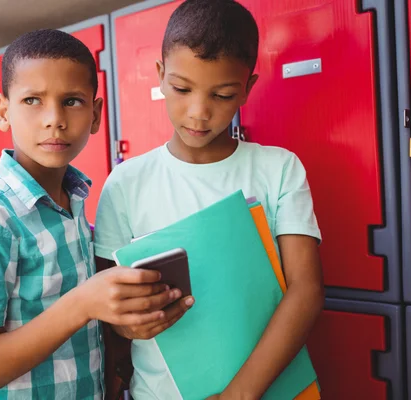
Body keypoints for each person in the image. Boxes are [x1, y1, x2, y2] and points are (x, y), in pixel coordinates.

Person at [94, 1, 324, 399]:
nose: (199, 113)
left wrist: (239, 394)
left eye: (222, 94)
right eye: (182, 89)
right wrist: (126, 325)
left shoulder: (278, 169)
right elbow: (109, 307)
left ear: (247, 89)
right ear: (161, 76)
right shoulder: (125, 183)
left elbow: (306, 291)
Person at [0, 29, 180, 399]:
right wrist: (84, 302)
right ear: (3, 111)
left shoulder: (76, 202)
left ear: (96, 114)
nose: (54, 119)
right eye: (33, 100)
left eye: (71, 101)